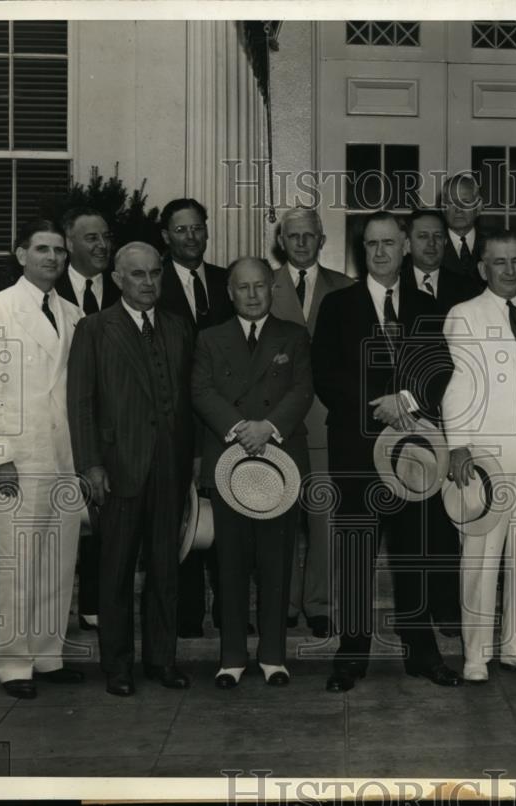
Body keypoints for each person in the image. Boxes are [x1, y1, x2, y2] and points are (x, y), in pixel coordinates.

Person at [312, 211, 461, 693]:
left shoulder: (429, 304)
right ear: (363, 250)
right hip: (357, 450)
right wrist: (378, 406)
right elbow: (326, 373)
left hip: (417, 451)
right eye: (371, 244)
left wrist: (408, 400)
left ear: (404, 248)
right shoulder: (337, 305)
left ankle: (422, 653)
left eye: (389, 243)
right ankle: (352, 655)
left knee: (413, 551)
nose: (380, 252)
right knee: (357, 552)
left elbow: (441, 367)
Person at [67, 241, 195, 696]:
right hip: (119, 469)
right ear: (118, 279)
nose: (148, 283)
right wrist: (90, 465)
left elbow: (187, 402)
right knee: (116, 572)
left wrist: (192, 464)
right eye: (137, 275)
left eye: (155, 273)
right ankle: (117, 666)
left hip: (171, 469)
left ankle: (162, 661)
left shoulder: (180, 328)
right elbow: (81, 404)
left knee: (166, 570)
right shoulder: (95, 329)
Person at [0, 220, 85, 699]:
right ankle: (14, 663)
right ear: (21, 255)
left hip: (63, 457)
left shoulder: (74, 314)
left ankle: (47, 653)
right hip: (16, 457)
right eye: (42, 249)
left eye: (60, 250)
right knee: (16, 561)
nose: (53, 258)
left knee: (58, 560)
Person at [442, 231, 516, 683]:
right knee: (480, 558)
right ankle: (476, 654)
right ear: (482, 268)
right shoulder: (465, 315)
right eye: (500, 262)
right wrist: (458, 445)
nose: (510, 270)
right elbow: (459, 385)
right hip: (486, 459)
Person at [191, 257, 313, 688]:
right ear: (230, 292)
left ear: (272, 288)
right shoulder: (209, 338)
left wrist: (268, 428)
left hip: (279, 458)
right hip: (230, 458)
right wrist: (242, 430)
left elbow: (302, 389)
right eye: (243, 287)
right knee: (231, 562)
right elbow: (201, 390)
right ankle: (232, 658)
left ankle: (274, 656)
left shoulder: (293, 336)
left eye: (260, 286)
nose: (252, 294)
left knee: (276, 561)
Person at [269, 206, 354, 639]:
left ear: (322, 240)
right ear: (280, 241)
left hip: (327, 420)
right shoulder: (262, 286)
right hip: (274, 421)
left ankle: (320, 603)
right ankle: (282, 603)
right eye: (293, 236)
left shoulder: (347, 287)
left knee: (324, 520)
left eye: (309, 236)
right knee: (278, 516)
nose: (301, 243)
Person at [157, 197, 235, 639]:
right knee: (180, 520)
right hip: (172, 423)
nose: (191, 237)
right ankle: (186, 618)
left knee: (226, 519)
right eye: (181, 229)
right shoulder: (153, 282)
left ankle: (229, 613)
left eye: (197, 228)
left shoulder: (227, 282)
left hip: (225, 422)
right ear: (166, 236)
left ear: (207, 231)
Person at [401, 207, 479, 635]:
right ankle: (417, 609)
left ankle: (448, 609)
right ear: (407, 242)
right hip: (409, 422)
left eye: (438, 237)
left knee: (451, 521)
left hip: (456, 420)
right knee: (417, 520)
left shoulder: (466, 289)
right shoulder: (394, 289)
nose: (431, 245)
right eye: (423, 237)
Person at [55, 207, 120, 632]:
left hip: (110, 429)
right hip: (59, 428)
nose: (101, 245)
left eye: (105, 237)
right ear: (69, 245)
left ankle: (96, 608)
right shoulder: (49, 292)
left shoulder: (124, 288)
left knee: (105, 517)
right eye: (91, 238)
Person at [440, 173, 486, 286]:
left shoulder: (491, 245)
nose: (458, 209)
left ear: (479, 208)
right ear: (443, 208)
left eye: (465, 202)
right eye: (451, 203)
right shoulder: (433, 246)